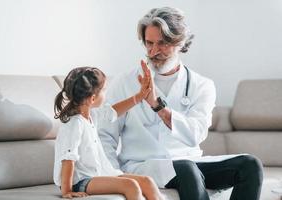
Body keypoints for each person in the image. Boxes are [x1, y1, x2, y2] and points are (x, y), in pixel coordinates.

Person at [98, 7, 263, 200]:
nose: (153, 51)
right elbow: (105, 135)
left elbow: (196, 135)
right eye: (149, 43)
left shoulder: (201, 85)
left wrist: (158, 107)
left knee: (250, 165)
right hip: (143, 165)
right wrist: (115, 177)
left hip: (190, 161)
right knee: (185, 170)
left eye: (162, 43)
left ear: (180, 43)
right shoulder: (124, 83)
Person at [53, 66, 165, 200]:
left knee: (147, 182)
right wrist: (67, 191)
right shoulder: (75, 124)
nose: (106, 94)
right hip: (81, 181)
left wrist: (139, 97)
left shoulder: (91, 115)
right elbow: (68, 159)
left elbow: (113, 111)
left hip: (100, 173)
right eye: (104, 90)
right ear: (92, 99)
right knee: (130, 185)